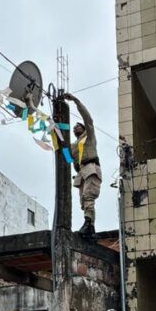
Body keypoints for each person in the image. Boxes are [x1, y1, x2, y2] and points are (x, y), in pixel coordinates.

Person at [62, 92, 102, 240]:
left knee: (88, 196)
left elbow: (88, 119)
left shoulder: (89, 136)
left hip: (91, 168)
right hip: (81, 173)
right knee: (83, 202)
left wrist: (76, 101)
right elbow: (66, 157)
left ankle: (88, 223)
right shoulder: (74, 146)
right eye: (73, 127)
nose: (75, 127)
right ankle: (90, 228)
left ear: (84, 128)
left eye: (78, 125)